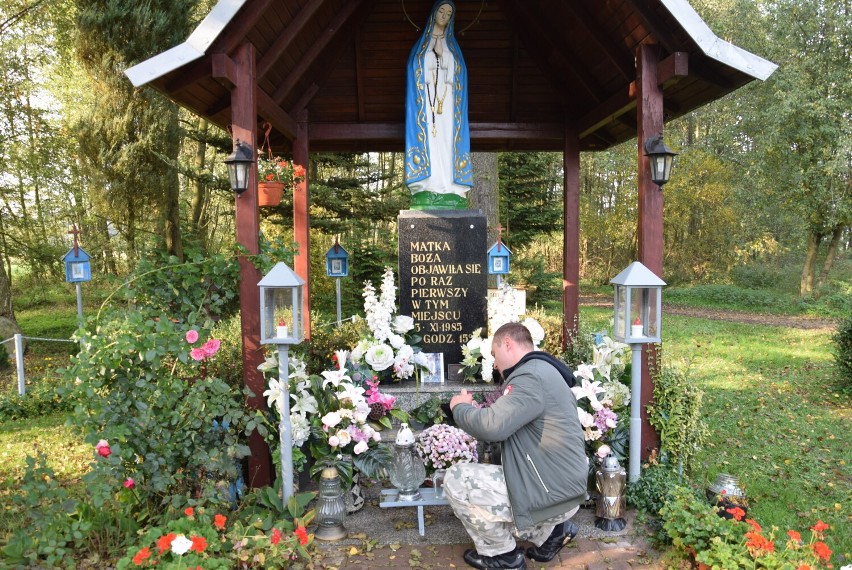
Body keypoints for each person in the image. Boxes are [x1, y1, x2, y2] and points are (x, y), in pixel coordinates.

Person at [445, 322, 588, 570]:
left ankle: (502, 555)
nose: (495, 363)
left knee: (457, 479)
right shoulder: (543, 371)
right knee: (495, 490)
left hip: (550, 490)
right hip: (561, 487)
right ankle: (551, 533)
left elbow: (492, 426)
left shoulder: (529, 376)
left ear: (508, 344)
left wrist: (459, 407)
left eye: (494, 354)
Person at [404, 0, 473, 210]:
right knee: (431, 144)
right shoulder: (421, 47)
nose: (444, 15)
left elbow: (460, 73)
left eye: (448, 13)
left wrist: (444, 57)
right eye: (441, 11)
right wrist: (429, 58)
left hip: (448, 108)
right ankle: (428, 187)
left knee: (447, 143)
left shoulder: (452, 47)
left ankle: (451, 189)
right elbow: (414, 67)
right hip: (426, 107)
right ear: (434, 13)